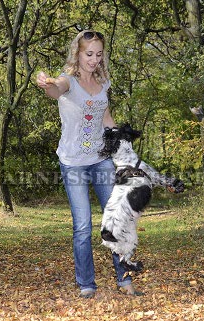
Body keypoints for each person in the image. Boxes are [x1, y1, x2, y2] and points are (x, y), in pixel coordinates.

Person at [36, 30, 143, 298]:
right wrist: (46, 84)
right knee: (83, 225)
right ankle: (86, 284)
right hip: (73, 163)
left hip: (100, 160)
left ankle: (125, 279)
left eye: (98, 54)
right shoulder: (68, 81)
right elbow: (55, 89)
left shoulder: (102, 82)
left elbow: (105, 117)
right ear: (78, 53)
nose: (94, 60)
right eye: (88, 54)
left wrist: (124, 142)